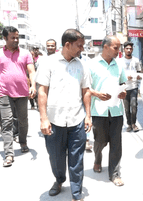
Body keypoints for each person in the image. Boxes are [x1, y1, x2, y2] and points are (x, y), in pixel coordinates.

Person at [36, 29, 92, 201]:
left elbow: (86, 92)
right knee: (56, 158)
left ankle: (76, 193)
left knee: (77, 159)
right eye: (79, 45)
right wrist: (43, 118)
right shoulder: (48, 63)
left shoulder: (82, 65)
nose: (82, 49)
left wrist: (88, 116)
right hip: (54, 121)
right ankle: (59, 180)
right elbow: (42, 91)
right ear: (67, 44)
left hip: (76, 120)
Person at [0, 26, 36, 167]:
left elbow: (31, 71)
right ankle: (9, 154)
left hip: (22, 93)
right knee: (7, 123)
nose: (16, 40)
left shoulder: (25, 53)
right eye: (13, 37)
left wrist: (32, 85)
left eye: (17, 37)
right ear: (5, 38)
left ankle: (22, 142)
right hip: (4, 93)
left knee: (23, 121)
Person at [88, 35, 127, 186]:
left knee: (116, 143)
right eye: (116, 48)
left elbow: (123, 83)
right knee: (100, 141)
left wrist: (124, 93)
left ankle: (115, 174)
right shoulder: (91, 64)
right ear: (105, 47)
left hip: (117, 110)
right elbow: (85, 87)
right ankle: (97, 158)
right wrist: (96, 94)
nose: (119, 51)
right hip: (99, 110)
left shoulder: (119, 65)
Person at [117, 41, 142, 132]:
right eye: (127, 48)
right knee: (127, 108)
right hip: (124, 88)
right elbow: (117, 74)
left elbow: (139, 72)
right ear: (124, 49)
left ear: (132, 49)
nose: (128, 50)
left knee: (134, 106)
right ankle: (129, 124)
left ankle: (134, 124)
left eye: (130, 48)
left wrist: (139, 78)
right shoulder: (119, 61)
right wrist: (125, 77)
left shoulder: (136, 60)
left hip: (134, 87)